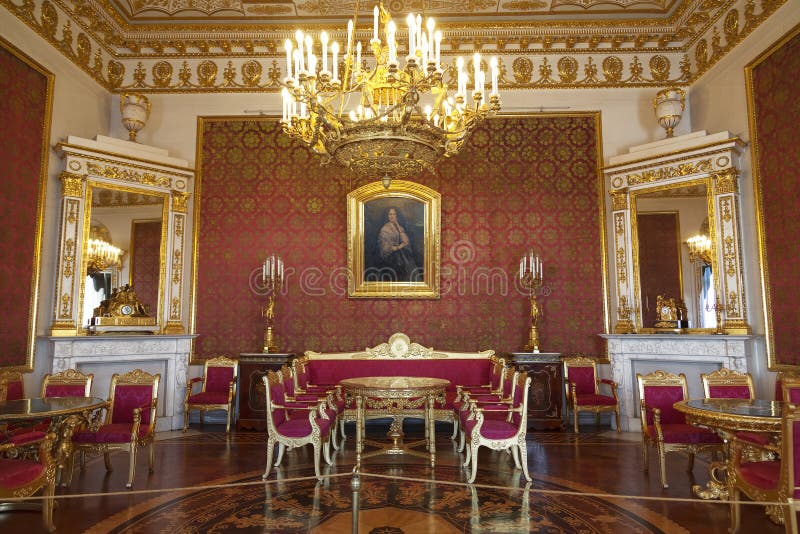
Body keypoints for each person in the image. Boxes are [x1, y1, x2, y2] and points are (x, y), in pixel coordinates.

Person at [377, 208, 420, 282]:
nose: (392, 216)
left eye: (394, 214)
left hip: (400, 254)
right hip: (390, 257)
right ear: (387, 216)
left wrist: (398, 226)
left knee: (412, 264)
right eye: (390, 214)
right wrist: (400, 246)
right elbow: (385, 249)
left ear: (396, 216)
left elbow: (406, 241)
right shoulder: (384, 229)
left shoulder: (399, 227)